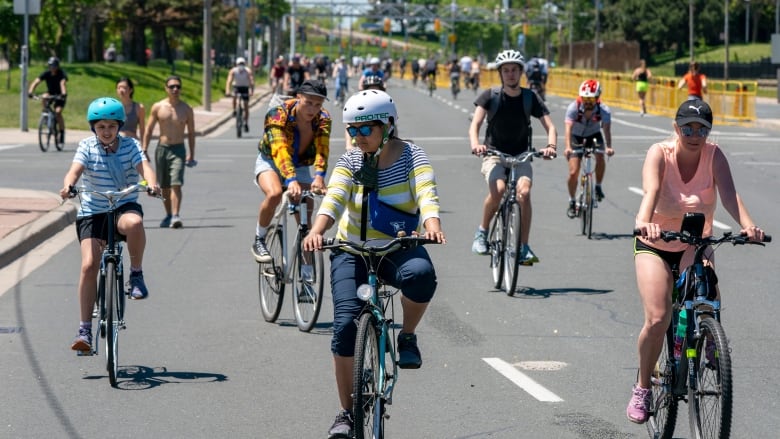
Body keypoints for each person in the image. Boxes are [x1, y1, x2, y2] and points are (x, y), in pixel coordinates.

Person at [302, 89, 446, 438]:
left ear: (388, 126)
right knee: (345, 330)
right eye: (352, 130)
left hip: (396, 245)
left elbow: (426, 192)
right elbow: (334, 198)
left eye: (366, 129)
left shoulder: (412, 156)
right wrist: (317, 230)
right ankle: (346, 413)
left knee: (422, 276)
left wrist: (432, 225)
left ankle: (407, 338)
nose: (357, 137)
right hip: (352, 249)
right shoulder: (351, 161)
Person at [626, 99, 765, 424]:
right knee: (659, 318)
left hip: (695, 243)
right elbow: (652, 190)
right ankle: (643, 387)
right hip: (655, 244)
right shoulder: (660, 153)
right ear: (676, 128)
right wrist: (645, 221)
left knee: (708, 299)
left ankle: (710, 342)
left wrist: (748, 225)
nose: (694, 134)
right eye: (687, 127)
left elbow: (730, 195)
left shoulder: (714, 155)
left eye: (701, 128)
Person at [60, 97, 160, 352]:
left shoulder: (130, 145)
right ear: (94, 127)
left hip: (123, 205)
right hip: (93, 210)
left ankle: (136, 274)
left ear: (119, 127)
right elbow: (74, 170)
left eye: (111, 127)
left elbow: (145, 167)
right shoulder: (86, 146)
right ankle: (84, 330)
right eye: (101, 126)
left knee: (135, 223)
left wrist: (151, 183)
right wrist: (68, 186)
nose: (106, 131)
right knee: (89, 265)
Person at [468, 50, 557, 262]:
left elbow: (550, 126)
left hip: (522, 155)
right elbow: (475, 125)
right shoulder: (490, 96)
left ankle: (524, 246)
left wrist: (551, 146)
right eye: (506, 70)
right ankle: (482, 232)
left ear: (521, 72)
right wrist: (476, 145)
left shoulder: (530, 97)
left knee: (524, 194)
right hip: (494, 154)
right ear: (500, 73)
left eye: (514, 70)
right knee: (498, 190)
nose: (510, 74)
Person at [251, 80, 331, 263]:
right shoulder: (277, 114)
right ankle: (259, 238)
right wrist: (291, 179)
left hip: (301, 164)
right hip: (271, 160)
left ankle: (307, 273)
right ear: (298, 97)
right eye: (308, 103)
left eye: (318, 105)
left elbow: (322, 148)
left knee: (306, 210)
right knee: (275, 194)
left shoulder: (323, 118)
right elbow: (280, 150)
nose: (312, 109)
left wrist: (319, 177)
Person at [142, 75, 196, 229]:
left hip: (179, 149)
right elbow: (149, 129)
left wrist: (191, 153)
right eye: (172, 86)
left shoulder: (186, 109)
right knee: (164, 186)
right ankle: (168, 215)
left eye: (178, 86)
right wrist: (144, 149)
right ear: (166, 88)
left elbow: (191, 133)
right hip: (162, 149)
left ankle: (176, 215)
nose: (175, 89)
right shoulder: (158, 107)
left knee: (176, 183)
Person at [564, 79, 614, 217]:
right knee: (574, 172)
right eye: (585, 98)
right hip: (576, 136)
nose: (587, 102)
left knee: (600, 155)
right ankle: (572, 200)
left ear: (597, 98)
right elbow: (568, 129)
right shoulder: (573, 108)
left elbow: (606, 130)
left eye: (591, 99)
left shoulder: (603, 110)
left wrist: (609, 147)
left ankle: (597, 186)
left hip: (594, 135)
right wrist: (568, 147)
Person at [28, 56, 68, 144]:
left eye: (54, 66)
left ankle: (61, 133)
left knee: (58, 112)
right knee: (44, 96)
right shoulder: (46, 73)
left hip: (60, 95)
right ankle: (46, 115)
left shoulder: (61, 73)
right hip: (51, 93)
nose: (52, 68)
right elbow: (36, 82)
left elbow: (62, 83)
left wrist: (63, 94)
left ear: (57, 66)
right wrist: (30, 91)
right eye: (51, 65)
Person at [344, 76, 385, 151]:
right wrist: (348, 144)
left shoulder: (385, 105)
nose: (373, 93)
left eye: (376, 91)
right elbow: (349, 124)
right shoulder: (359, 104)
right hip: (359, 143)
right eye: (370, 90)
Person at [225, 56, 255, 132]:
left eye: (242, 63)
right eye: (239, 63)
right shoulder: (233, 71)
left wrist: (251, 90)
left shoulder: (248, 71)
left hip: (245, 88)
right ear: (236, 64)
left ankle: (245, 123)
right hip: (237, 87)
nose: (241, 65)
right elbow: (229, 81)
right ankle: (234, 110)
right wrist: (227, 91)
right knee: (234, 97)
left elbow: (251, 81)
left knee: (246, 105)